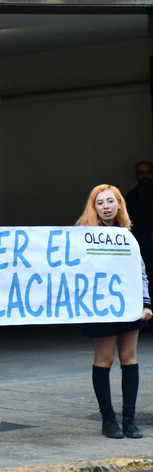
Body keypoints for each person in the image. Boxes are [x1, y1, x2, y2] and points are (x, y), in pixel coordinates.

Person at [76, 184, 152, 439]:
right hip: (100, 307)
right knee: (105, 359)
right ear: (93, 207)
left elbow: (139, 270)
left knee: (129, 359)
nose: (106, 206)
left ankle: (129, 420)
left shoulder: (128, 234)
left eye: (110, 201)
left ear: (120, 204)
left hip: (128, 305)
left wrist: (146, 303)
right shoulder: (82, 234)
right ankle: (108, 420)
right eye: (100, 203)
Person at [124, 161, 153, 295]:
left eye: (148, 172)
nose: (145, 176)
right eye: (141, 173)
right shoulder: (131, 197)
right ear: (136, 175)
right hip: (139, 247)